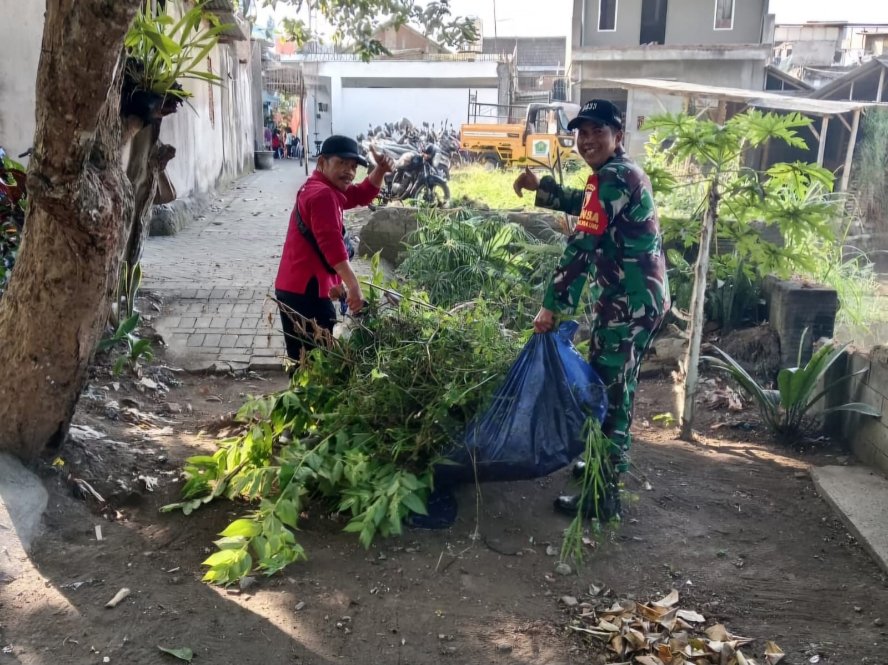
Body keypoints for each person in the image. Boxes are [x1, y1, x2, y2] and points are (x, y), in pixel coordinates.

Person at [513, 99, 670, 521]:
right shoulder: (616, 173)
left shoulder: (614, 177)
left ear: (618, 136)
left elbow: (582, 245)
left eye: (598, 131)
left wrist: (551, 308)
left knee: (610, 392)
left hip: (628, 304)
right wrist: (542, 187)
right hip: (635, 299)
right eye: (582, 133)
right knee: (617, 384)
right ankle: (604, 461)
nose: (587, 140)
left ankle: (603, 495)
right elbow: (586, 205)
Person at [275, 135, 393, 363]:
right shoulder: (323, 194)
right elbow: (332, 246)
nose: (349, 171)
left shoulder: (322, 187)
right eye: (342, 163)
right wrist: (354, 286)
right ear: (322, 162)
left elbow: (360, 194)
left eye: (353, 166)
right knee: (315, 362)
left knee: (308, 361)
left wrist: (380, 169)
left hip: (298, 288)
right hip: (305, 293)